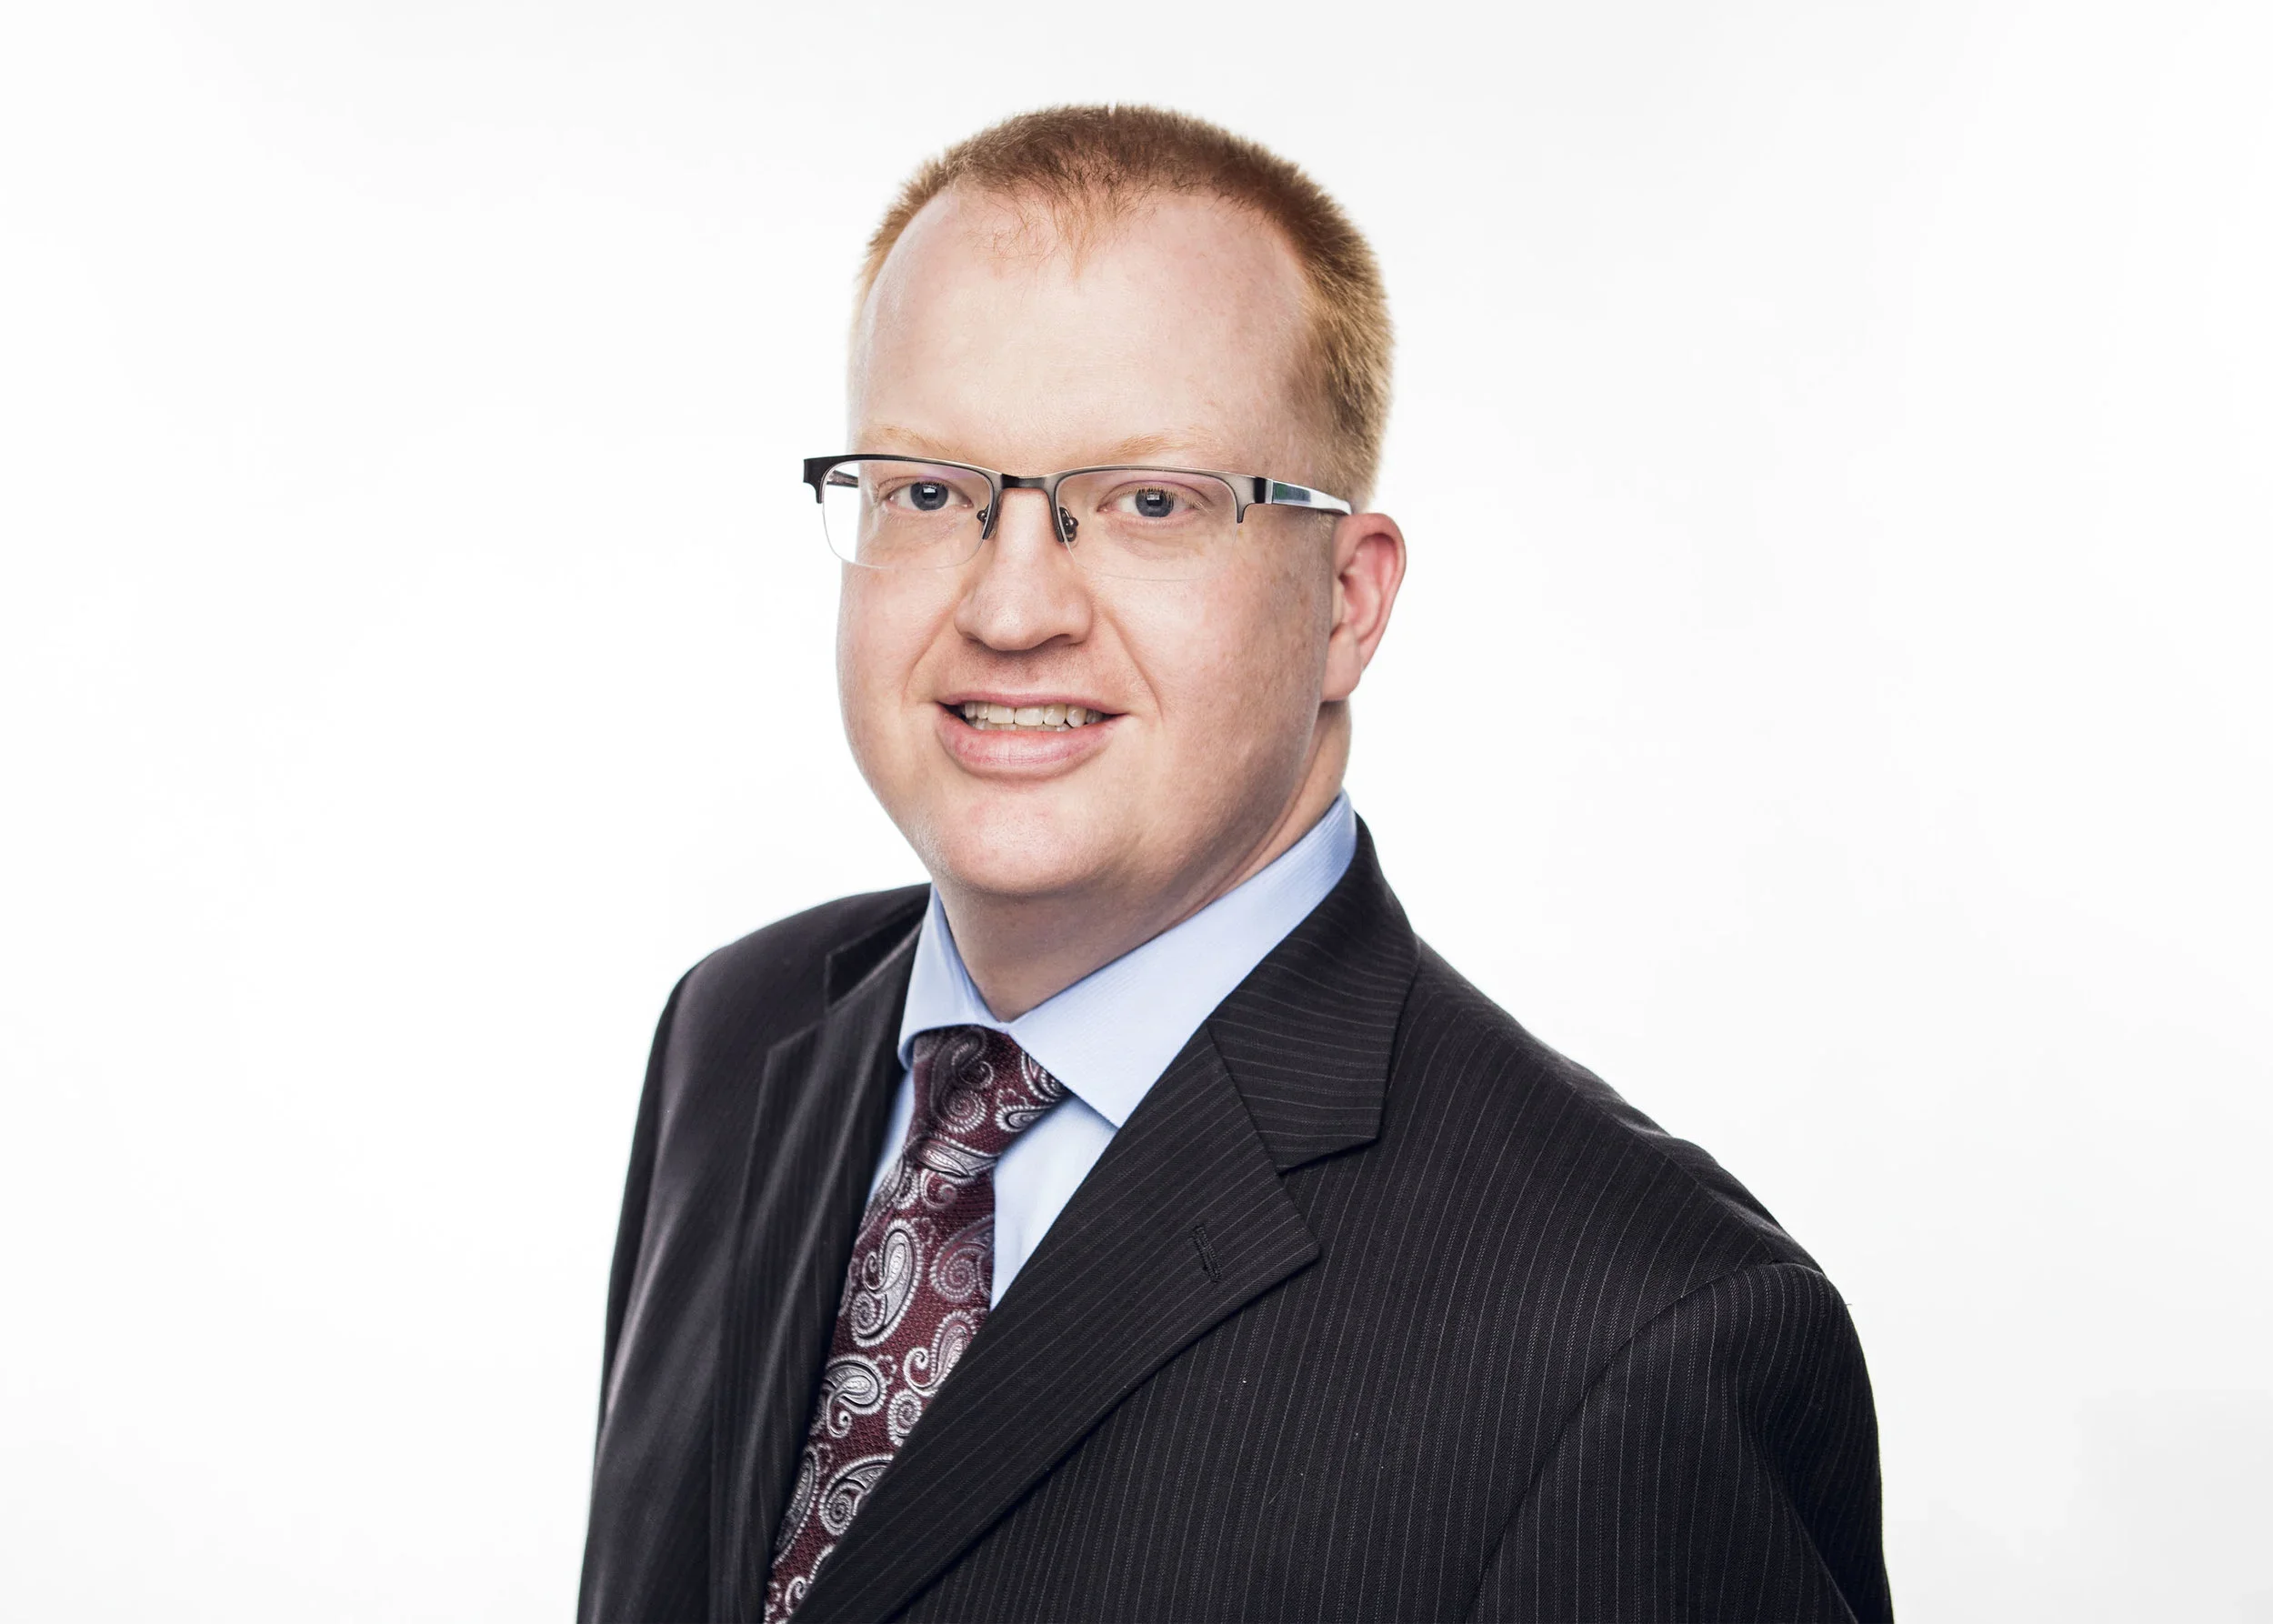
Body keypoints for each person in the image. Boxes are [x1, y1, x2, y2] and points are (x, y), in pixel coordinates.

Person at [576, 105, 1891, 1624]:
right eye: (929, 492)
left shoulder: (1640, 1334)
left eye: (1149, 503)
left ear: (1347, 601)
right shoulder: (736, 1038)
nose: (1011, 609)